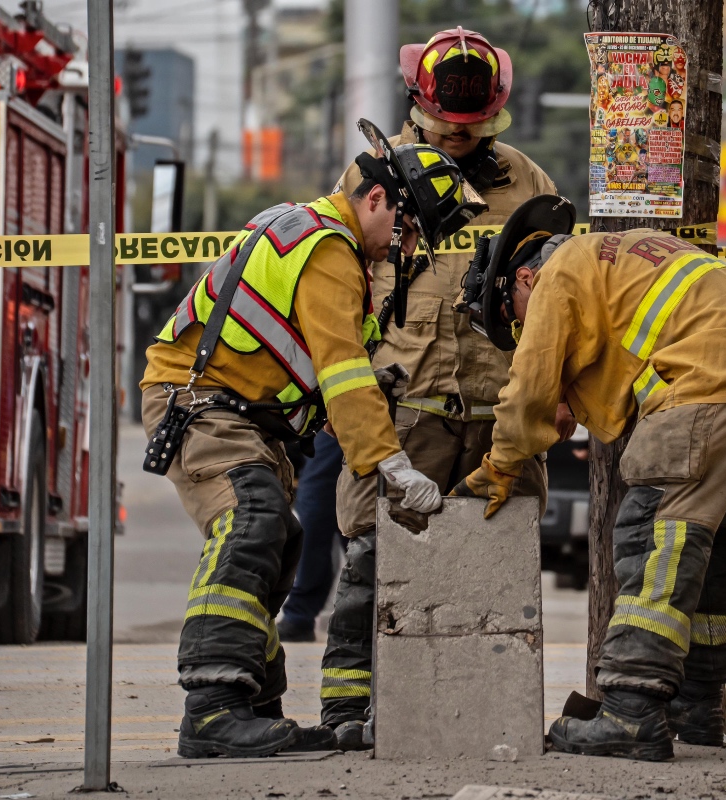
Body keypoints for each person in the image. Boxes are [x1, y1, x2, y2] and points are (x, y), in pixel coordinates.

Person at [139, 131, 484, 758]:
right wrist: (389, 462)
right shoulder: (328, 250)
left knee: (280, 538)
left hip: (245, 411)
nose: (402, 248)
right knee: (252, 521)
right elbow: (343, 370)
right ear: (378, 198)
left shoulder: (322, 238)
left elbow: (320, 371)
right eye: (406, 230)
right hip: (204, 403)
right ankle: (213, 709)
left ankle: (254, 706)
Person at [453, 196, 726, 761]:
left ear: (522, 277)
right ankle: (697, 704)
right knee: (716, 541)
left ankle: (631, 711)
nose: (522, 326)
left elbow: (524, 392)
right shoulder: (610, 255)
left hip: (712, 372)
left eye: (515, 317)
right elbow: (610, 344)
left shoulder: (554, 274)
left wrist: (499, 467)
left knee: (651, 530)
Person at [317, 26, 565, 752]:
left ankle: (490, 710)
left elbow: (556, 299)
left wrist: (560, 391)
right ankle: (347, 710)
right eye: (445, 125)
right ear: (415, 102)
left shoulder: (526, 181)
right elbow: (339, 291)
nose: (459, 138)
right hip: (407, 411)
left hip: (499, 413)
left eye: (474, 126)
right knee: (369, 561)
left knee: (498, 569)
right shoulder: (371, 177)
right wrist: (341, 401)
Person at [276, 431, 346, 642]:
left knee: (326, 512)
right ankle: (300, 614)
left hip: (354, 411)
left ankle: (301, 614)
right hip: (332, 418)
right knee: (318, 514)